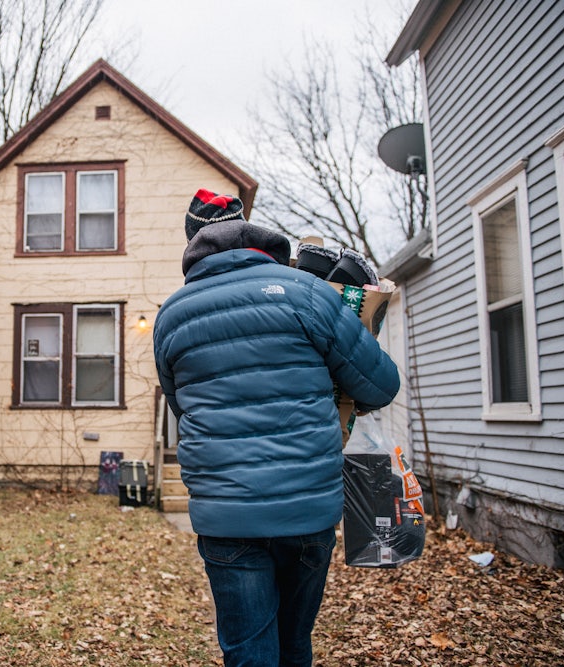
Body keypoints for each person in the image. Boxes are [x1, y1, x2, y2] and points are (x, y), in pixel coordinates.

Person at [153, 189, 401, 667]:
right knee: (293, 645)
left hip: (227, 515)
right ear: (258, 238)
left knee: (249, 653)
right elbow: (380, 386)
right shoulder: (306, 293)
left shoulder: (172, 316)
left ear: (194, 244)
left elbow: (184, 410)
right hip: (306, 510)